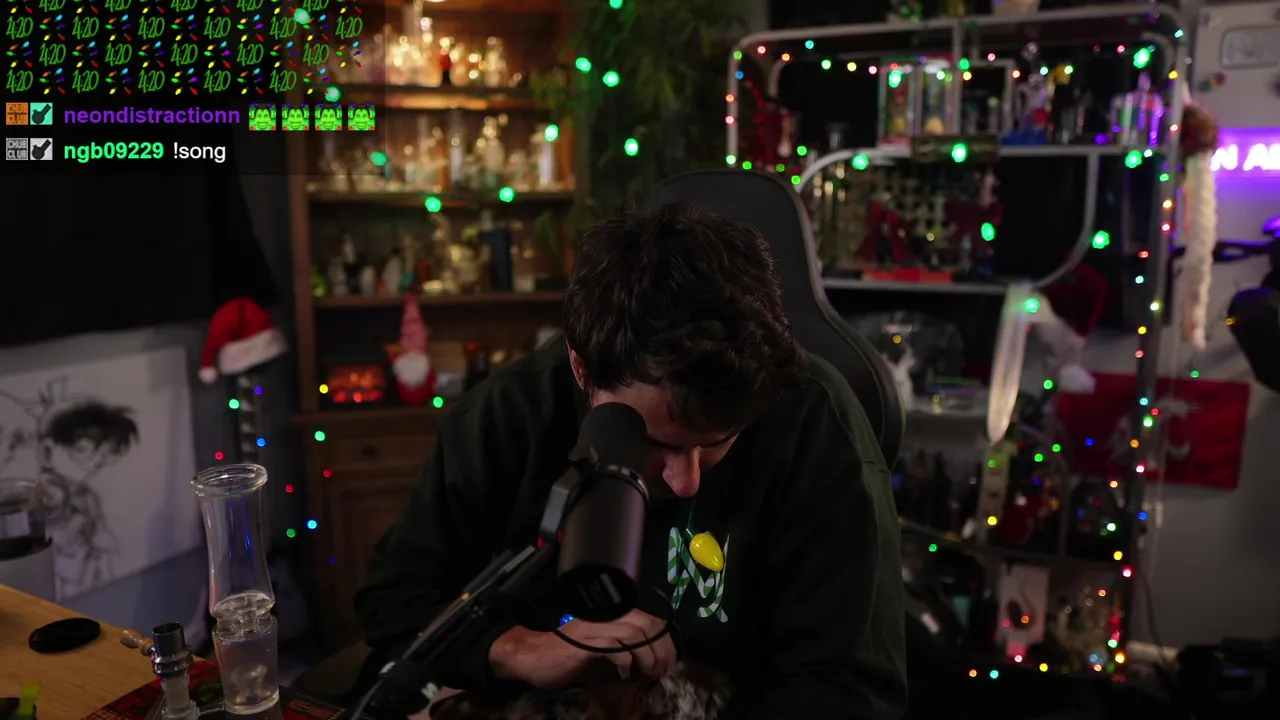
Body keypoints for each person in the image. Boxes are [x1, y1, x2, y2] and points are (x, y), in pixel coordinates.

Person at [356, 203, 907, 718]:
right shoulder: (511, 413)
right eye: (658, 443)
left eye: (717, 441)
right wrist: (516, 649)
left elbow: (854, 692)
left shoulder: (814, 422)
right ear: (582, 369)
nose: (686, 481)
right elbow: (396, 602)